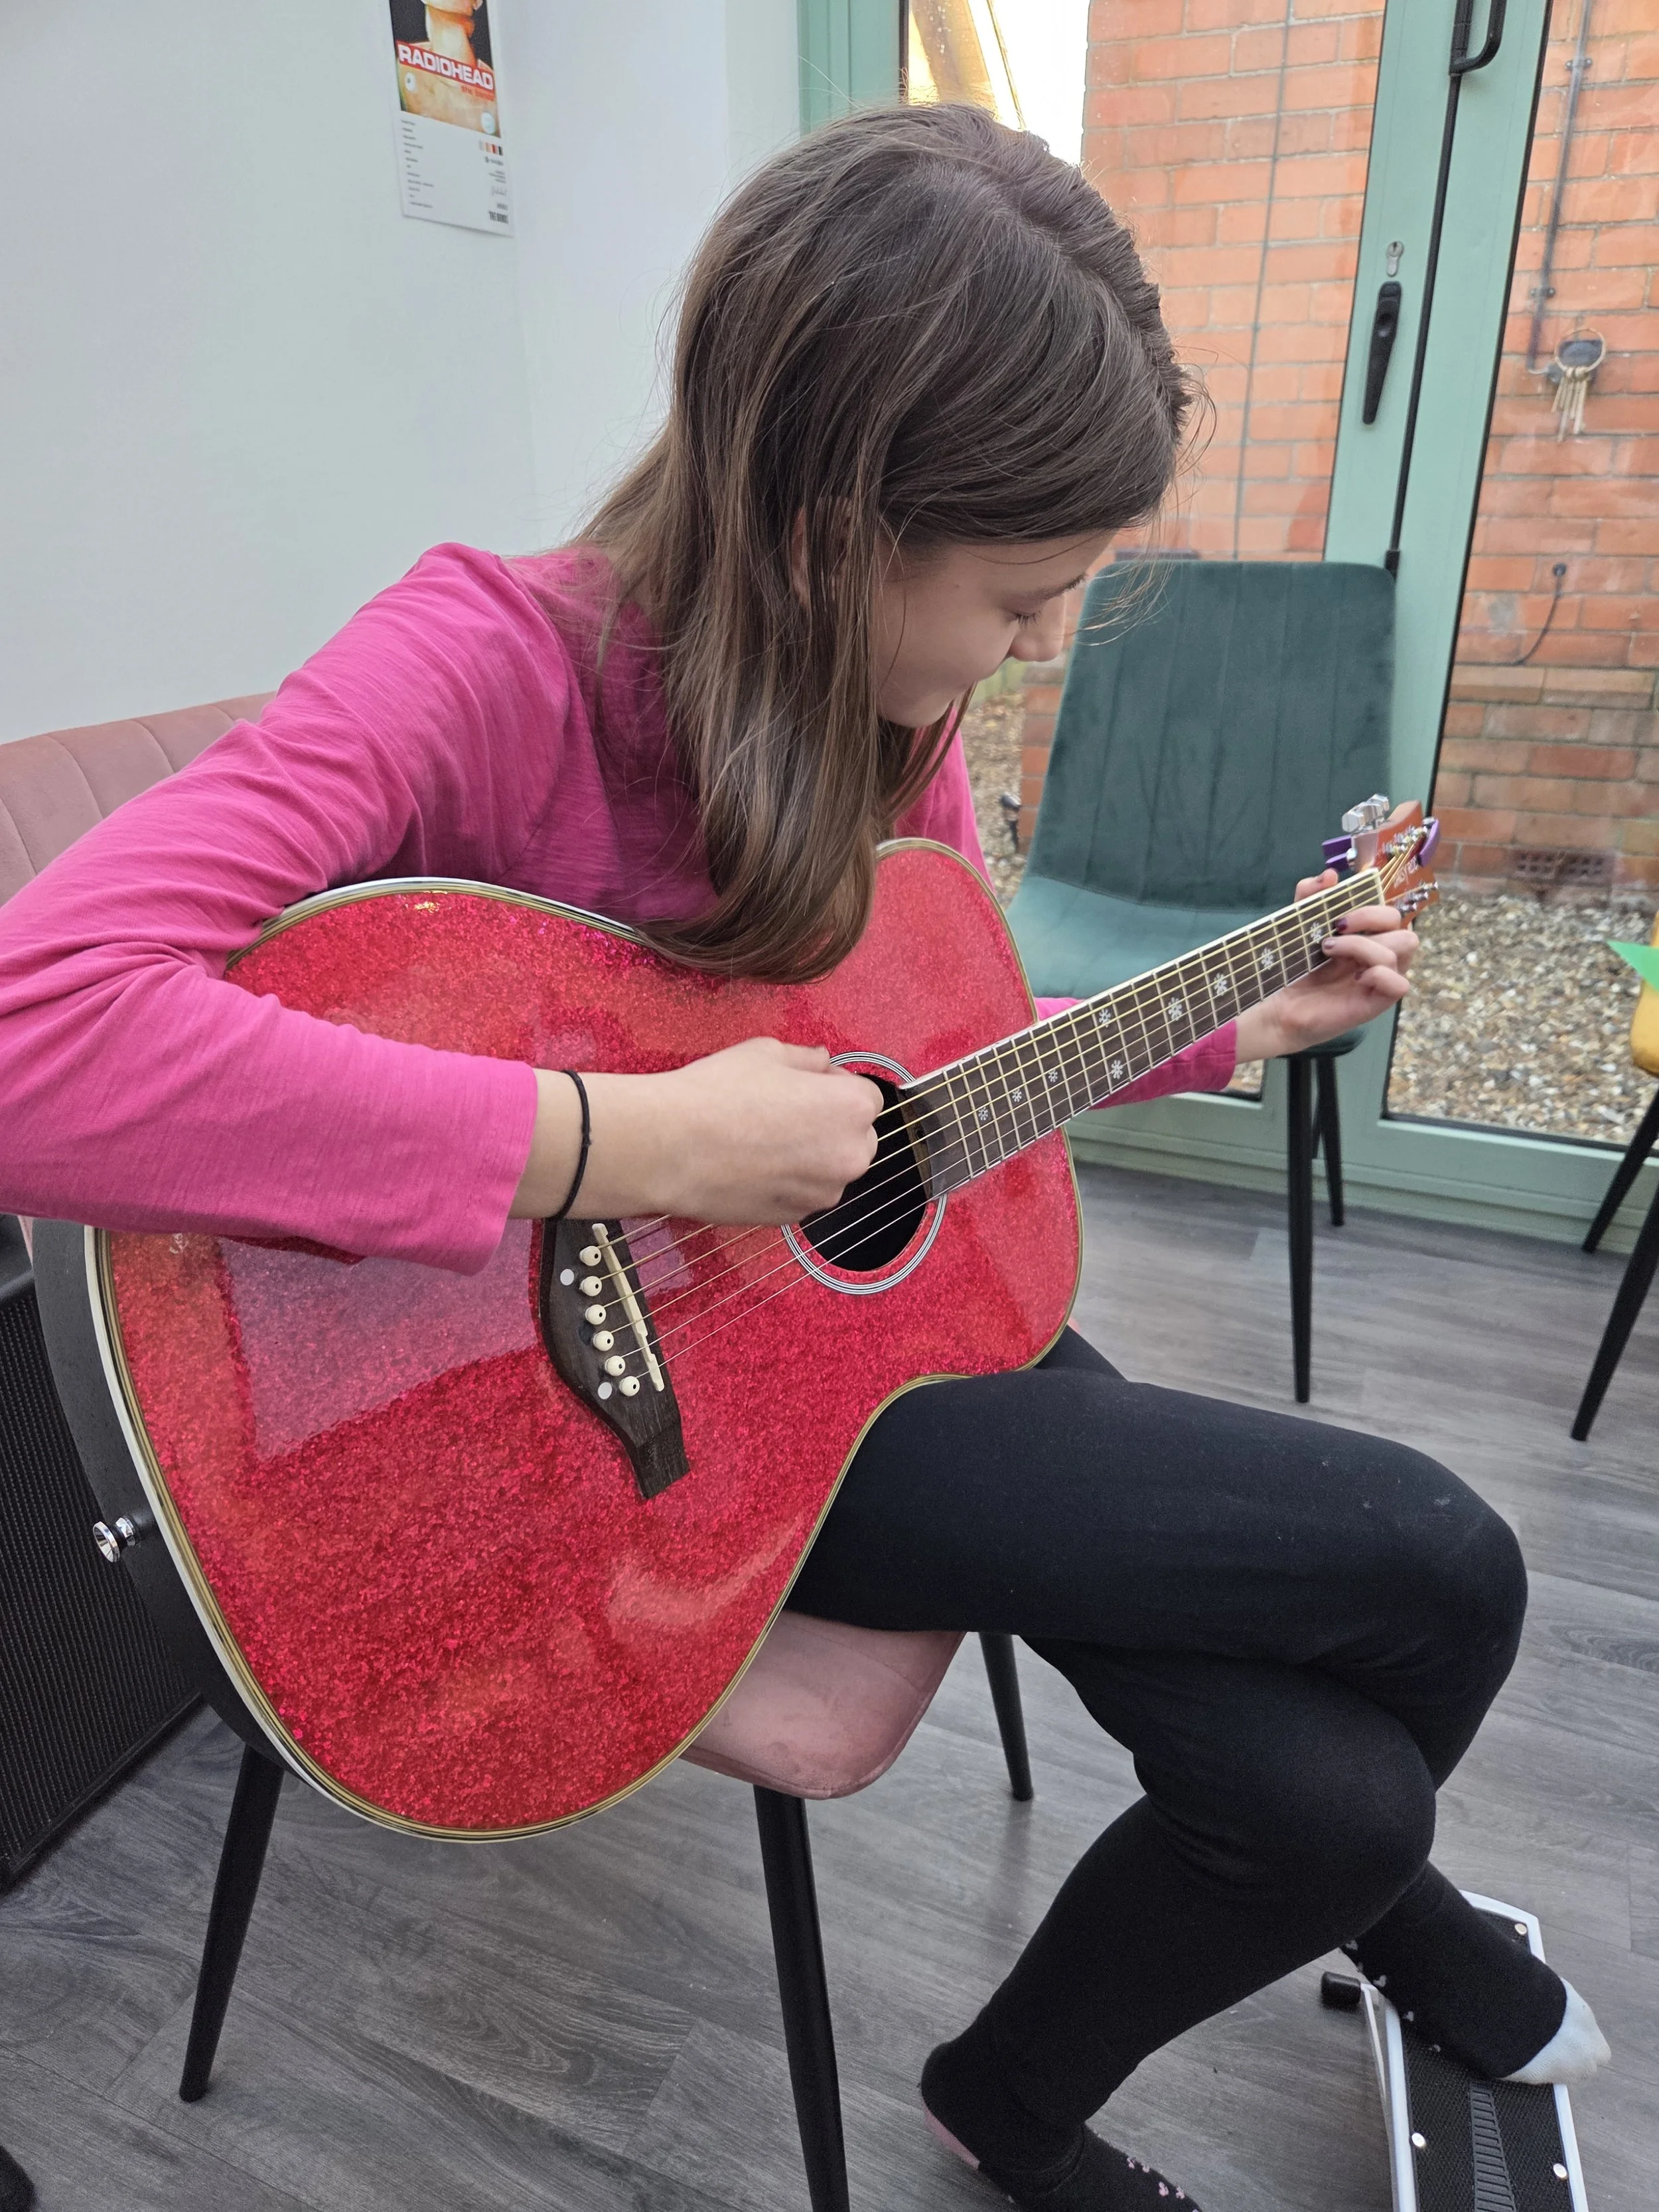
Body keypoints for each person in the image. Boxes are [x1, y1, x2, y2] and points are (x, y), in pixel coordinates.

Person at [0, 104, 1608, 2212]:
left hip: (860, 1347)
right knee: (1433, 1554)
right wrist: (629, 1134)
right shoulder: (483, 661)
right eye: (1019, 600)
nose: (1021, 657)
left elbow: (911, 1088)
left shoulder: (884, 716)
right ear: (835, 523)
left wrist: (1233, 1020)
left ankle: (1010, 2093)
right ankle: (1397, 1938)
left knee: (1316, 1797)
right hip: (616, 1443)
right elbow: (39, 1032)